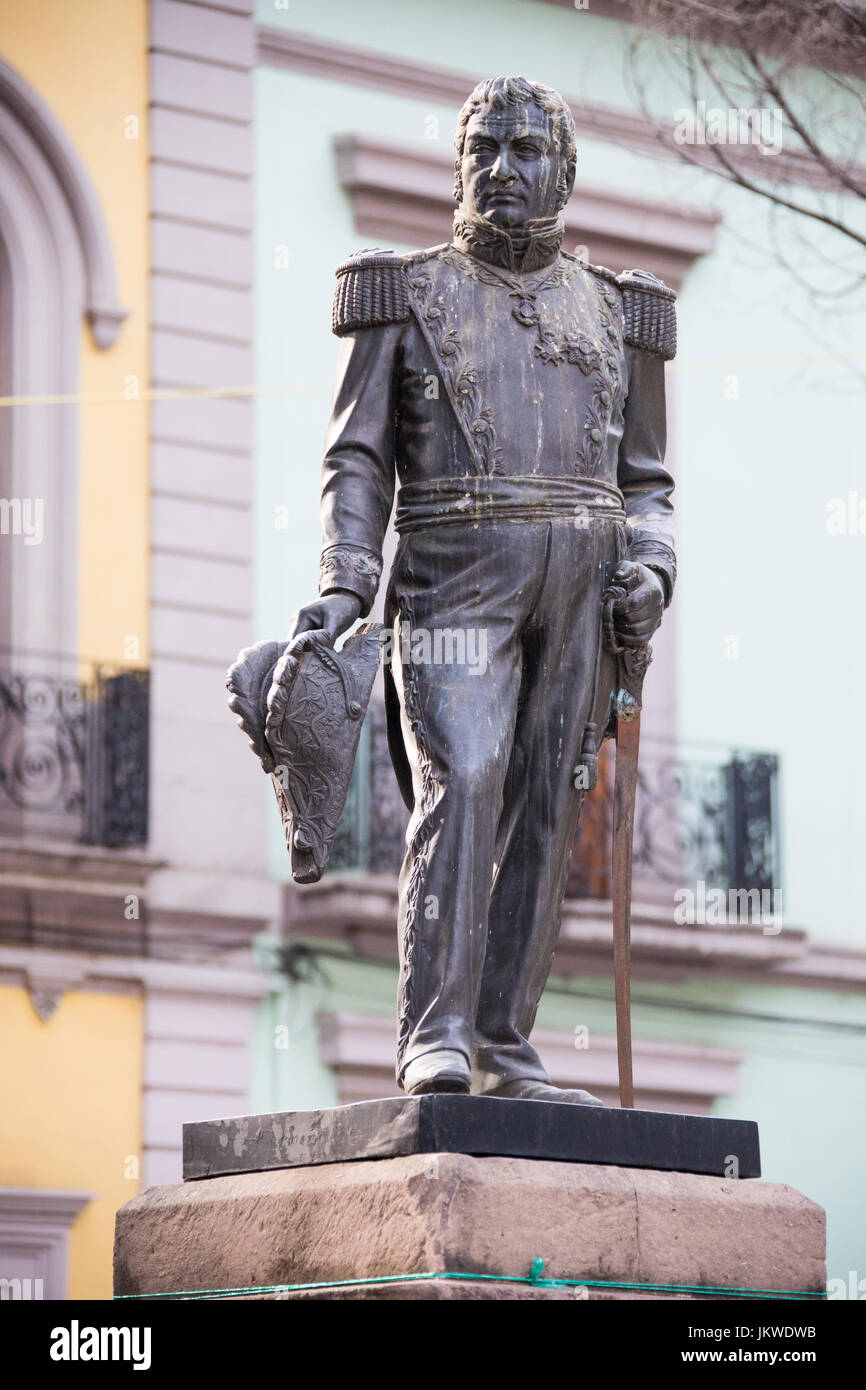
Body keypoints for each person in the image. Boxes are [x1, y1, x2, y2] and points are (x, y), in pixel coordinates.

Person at [284, 76, 677, 1102]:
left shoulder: (621, 312)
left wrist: (653, 567)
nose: (500, 168)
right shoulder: (402, 291)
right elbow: (356, 459)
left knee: (550, 803)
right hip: (451, 574)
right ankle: (436, 1032)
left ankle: (503, 1041)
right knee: (462, 775)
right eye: (482, 150)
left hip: (583, 587)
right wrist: (342, 583)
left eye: (524, 151)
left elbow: (647, 482)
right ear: (459, 166)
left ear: (563, 171)